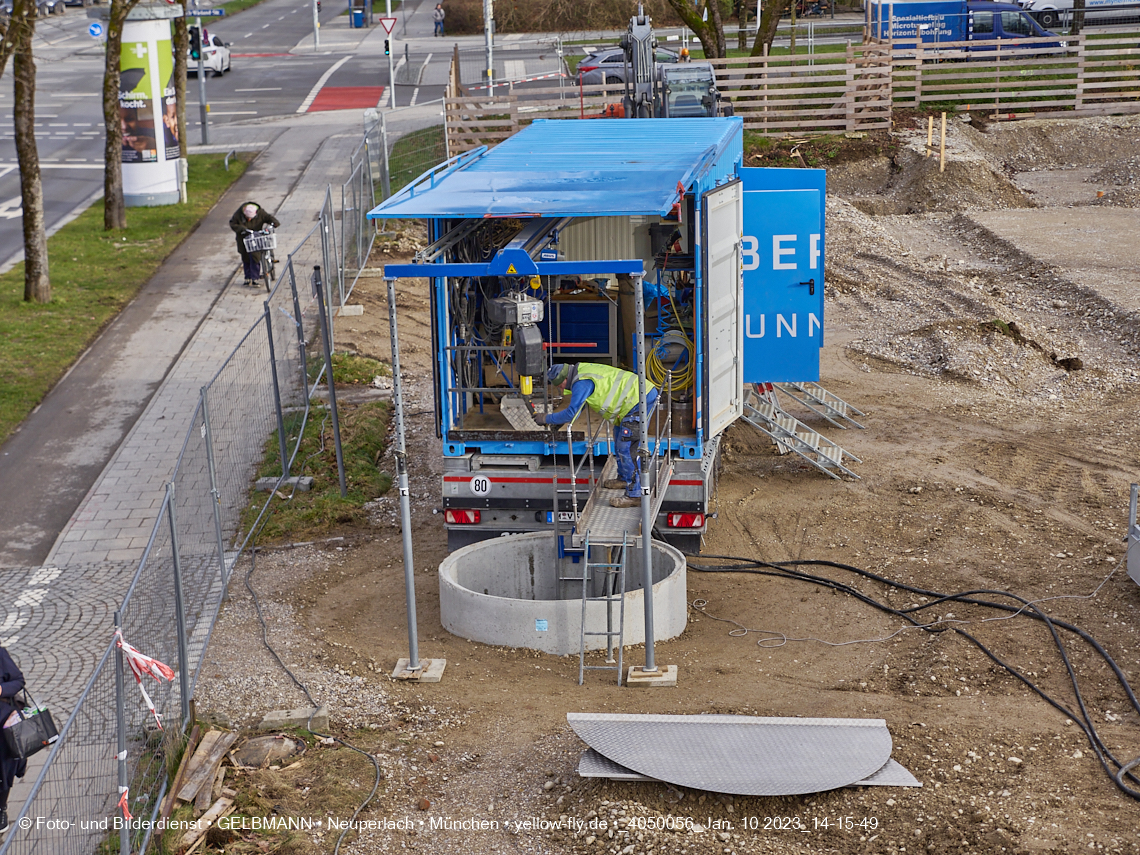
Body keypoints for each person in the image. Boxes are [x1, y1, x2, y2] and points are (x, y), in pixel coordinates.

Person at [542, 363, 658, 508]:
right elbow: (580, 404)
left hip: (638, 399)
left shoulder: (581, 382)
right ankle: (624, 478)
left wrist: (546, 418)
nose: (561, 389)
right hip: (631, 400)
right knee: (619, 439)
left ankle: (635, 495)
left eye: (560, 385)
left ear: (564, 379)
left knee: (628, 448)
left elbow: (572, 412)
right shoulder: (581, 371)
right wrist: (559, 421)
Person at [0, 647, 27, 835]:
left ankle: (1, 808)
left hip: (2, 727)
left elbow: (18, 680)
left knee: (4, 771)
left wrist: (1, 689)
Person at [229, 202, 281, 287]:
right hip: (243, 238)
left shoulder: (260, 213)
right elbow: (233, 223)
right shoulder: (238, 214)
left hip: (256, 237)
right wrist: (242, 229)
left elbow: (268, 217)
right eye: (247, 218)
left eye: (251, 218)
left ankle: (255, 278)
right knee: (245, 257)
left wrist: (274, 223)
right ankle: (248, 277)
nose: (249, 219)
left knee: (255, 257)